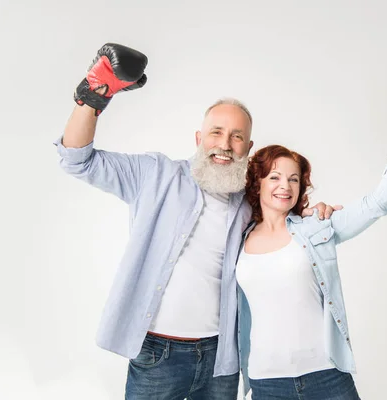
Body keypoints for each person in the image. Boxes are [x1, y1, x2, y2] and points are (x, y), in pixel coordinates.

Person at [54, 43, 337, 400]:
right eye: (217, 133)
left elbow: (285, 219)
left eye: (237, 137)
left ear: (247, 149)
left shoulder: (249, 203)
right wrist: (93, 97)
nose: (225, 144)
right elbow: (77, 159)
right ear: (199, 139)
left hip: (221, 357)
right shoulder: (155, 175)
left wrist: (313, 212)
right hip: (158, 354)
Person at [236, 90, 387, 399]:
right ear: (258, 182)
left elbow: (375, 205)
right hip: (267, 382)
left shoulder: (316, 227)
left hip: (326, 375)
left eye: (294, 179)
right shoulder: (237, 237)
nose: (285, 186)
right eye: (275, 177)